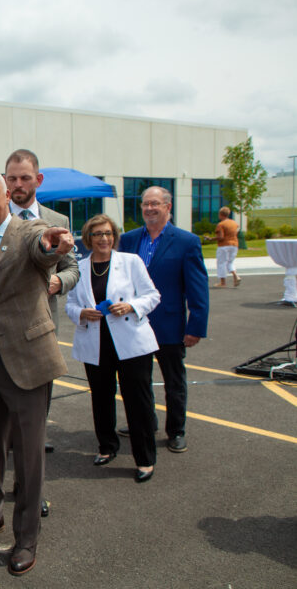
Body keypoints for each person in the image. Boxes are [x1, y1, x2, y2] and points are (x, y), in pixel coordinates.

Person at [0, 170, 73, 576]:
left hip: (28, 363)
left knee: (28, 457)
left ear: (7, 196)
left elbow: (44, 247)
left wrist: (51, 243)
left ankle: (26, 538)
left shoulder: (27, 233)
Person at [66, 214, 161, 482]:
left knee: (137, 402)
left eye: (108, 233)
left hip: (131, 343)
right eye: (97, 234)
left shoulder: (131, 262)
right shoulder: (80, 267)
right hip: (96, 343)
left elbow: (152, 295)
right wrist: (82, 312)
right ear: (88, 238)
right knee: (101, 398)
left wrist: (132, 306)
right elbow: (70, 304)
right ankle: (107, 447)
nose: (104, 238)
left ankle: (145, 459)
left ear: (114, 236)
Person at [119, 186, 209, 454]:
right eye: (145, 204)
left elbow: (197, 288)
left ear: (168, 207)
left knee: (174, 382)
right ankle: (146, 422)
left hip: (170, 326)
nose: (149, 209)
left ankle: (176, 430)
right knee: (138, 381)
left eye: (155, 204)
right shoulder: (129, 240)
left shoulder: (186, 241)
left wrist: (196, 326)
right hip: (134, 324)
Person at [214, 206, 241, 288]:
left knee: (221, 263)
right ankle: (235, 275)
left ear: (220, 214)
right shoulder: (233, 223)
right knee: (230, 262)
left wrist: (211, 239)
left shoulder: (221, 224)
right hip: (234, 244)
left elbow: (221, 237)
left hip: (224, 245)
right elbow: (236, 232)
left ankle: (223, 283)